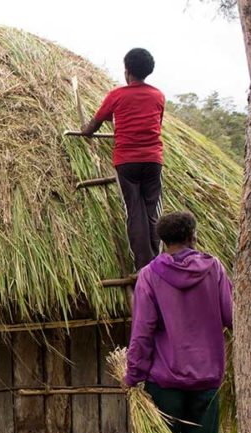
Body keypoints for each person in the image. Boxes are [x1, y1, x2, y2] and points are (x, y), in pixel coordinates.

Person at [124, 212, 232, 433]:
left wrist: (133, 375)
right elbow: (234, 316)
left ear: (162, 240)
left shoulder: (148, 275)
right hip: (207, 382)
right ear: (192, 236)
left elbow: (142, 331)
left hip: (164, 385)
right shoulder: (215, 270)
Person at [81, 48, 165, 272]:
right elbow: (156, 123)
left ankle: (142, 265)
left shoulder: (117, 96)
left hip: (126, 161)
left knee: (134, 211)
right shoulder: (158, 96)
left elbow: (94, 124)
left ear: (127, 71)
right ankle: (157, 260)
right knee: (151, 210)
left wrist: (84, 131)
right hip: (153, 160)